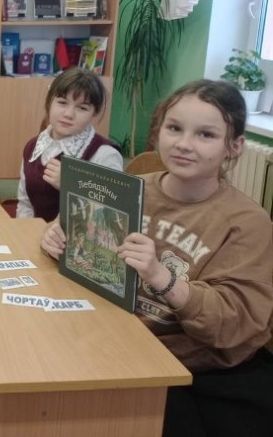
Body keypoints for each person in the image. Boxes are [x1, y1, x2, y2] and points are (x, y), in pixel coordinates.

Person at [41, 79, 273, 437]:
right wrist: (58, 237)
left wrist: (162, 278)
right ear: (158, 131)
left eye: (206, 134)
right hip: (115, 343)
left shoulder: (247, 223)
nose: (184, 144)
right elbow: (83, 241)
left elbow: (234, 327)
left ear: (234, 146)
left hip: (194, 372)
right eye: (174, 128)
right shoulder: (132, 187)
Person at [17, 68, 123, 221]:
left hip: (76, 237)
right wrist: (25, 232)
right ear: (49, 102)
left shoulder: (105, 154)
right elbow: (25, 204)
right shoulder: (33, 147)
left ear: (94, 113)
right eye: (62, 102)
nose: (68, 114)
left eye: (82, 108)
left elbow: (111, 218)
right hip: (34, 234)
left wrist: (72, 186)